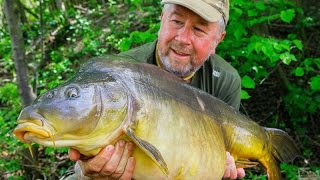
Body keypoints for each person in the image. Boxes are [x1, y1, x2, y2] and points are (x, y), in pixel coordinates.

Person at [68, 0, 246, 179]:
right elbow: (78, 162)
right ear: (162, 19)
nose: (183, 39)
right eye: (176, 22)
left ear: (218, 40)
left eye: (199, 30)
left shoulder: (224, 81)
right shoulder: (117, 76)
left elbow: (229, 152)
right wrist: (87, 172)